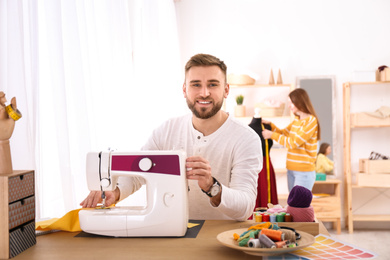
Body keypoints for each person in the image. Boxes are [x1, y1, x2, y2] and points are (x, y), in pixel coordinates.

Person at [80, 54, 263, 221]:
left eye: (213, 84)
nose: (204, 93)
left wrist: (211, 186)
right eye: (196, 84)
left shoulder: (246, 139)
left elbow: (245, 208)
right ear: (185, 90)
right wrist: (116, 192)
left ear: (226, 90)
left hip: (221, 239)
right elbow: (137, 175)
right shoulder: (167, 130)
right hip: (171, 231)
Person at [262, 88, 320, 192]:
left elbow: (293, 143)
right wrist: (270, 125)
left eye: (291, 102)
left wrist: (271, 135)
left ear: (300, 101)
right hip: (291, 170)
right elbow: (284, 133)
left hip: (303, 172)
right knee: (293, 206)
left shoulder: (311, 121)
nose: (289, 106)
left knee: (299, 206)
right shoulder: (297, 121)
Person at [248, 108, 278, 209]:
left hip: (267, 164)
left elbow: (285, 134)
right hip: (255, 165)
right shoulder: (248, 129)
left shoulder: (267, 127)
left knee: (267, 190)